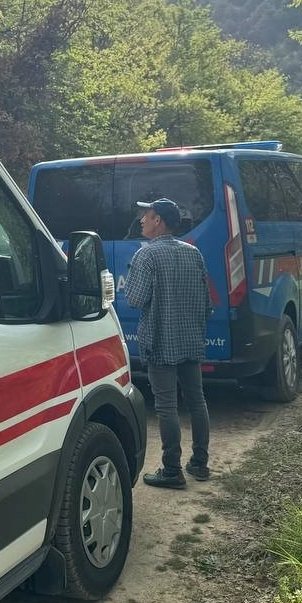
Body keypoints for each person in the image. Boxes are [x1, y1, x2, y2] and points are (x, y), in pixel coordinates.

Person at [124, 198, 213, 489]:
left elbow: (134, 299)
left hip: (160, 342)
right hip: (191, 340)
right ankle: (200, 463)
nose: (141, 220)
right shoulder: (193, 253)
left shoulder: (146, 255)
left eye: (146, 215)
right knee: (197, 400)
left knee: (166, 407)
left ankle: (172, 470)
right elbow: (206, 302)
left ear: (158, 220)